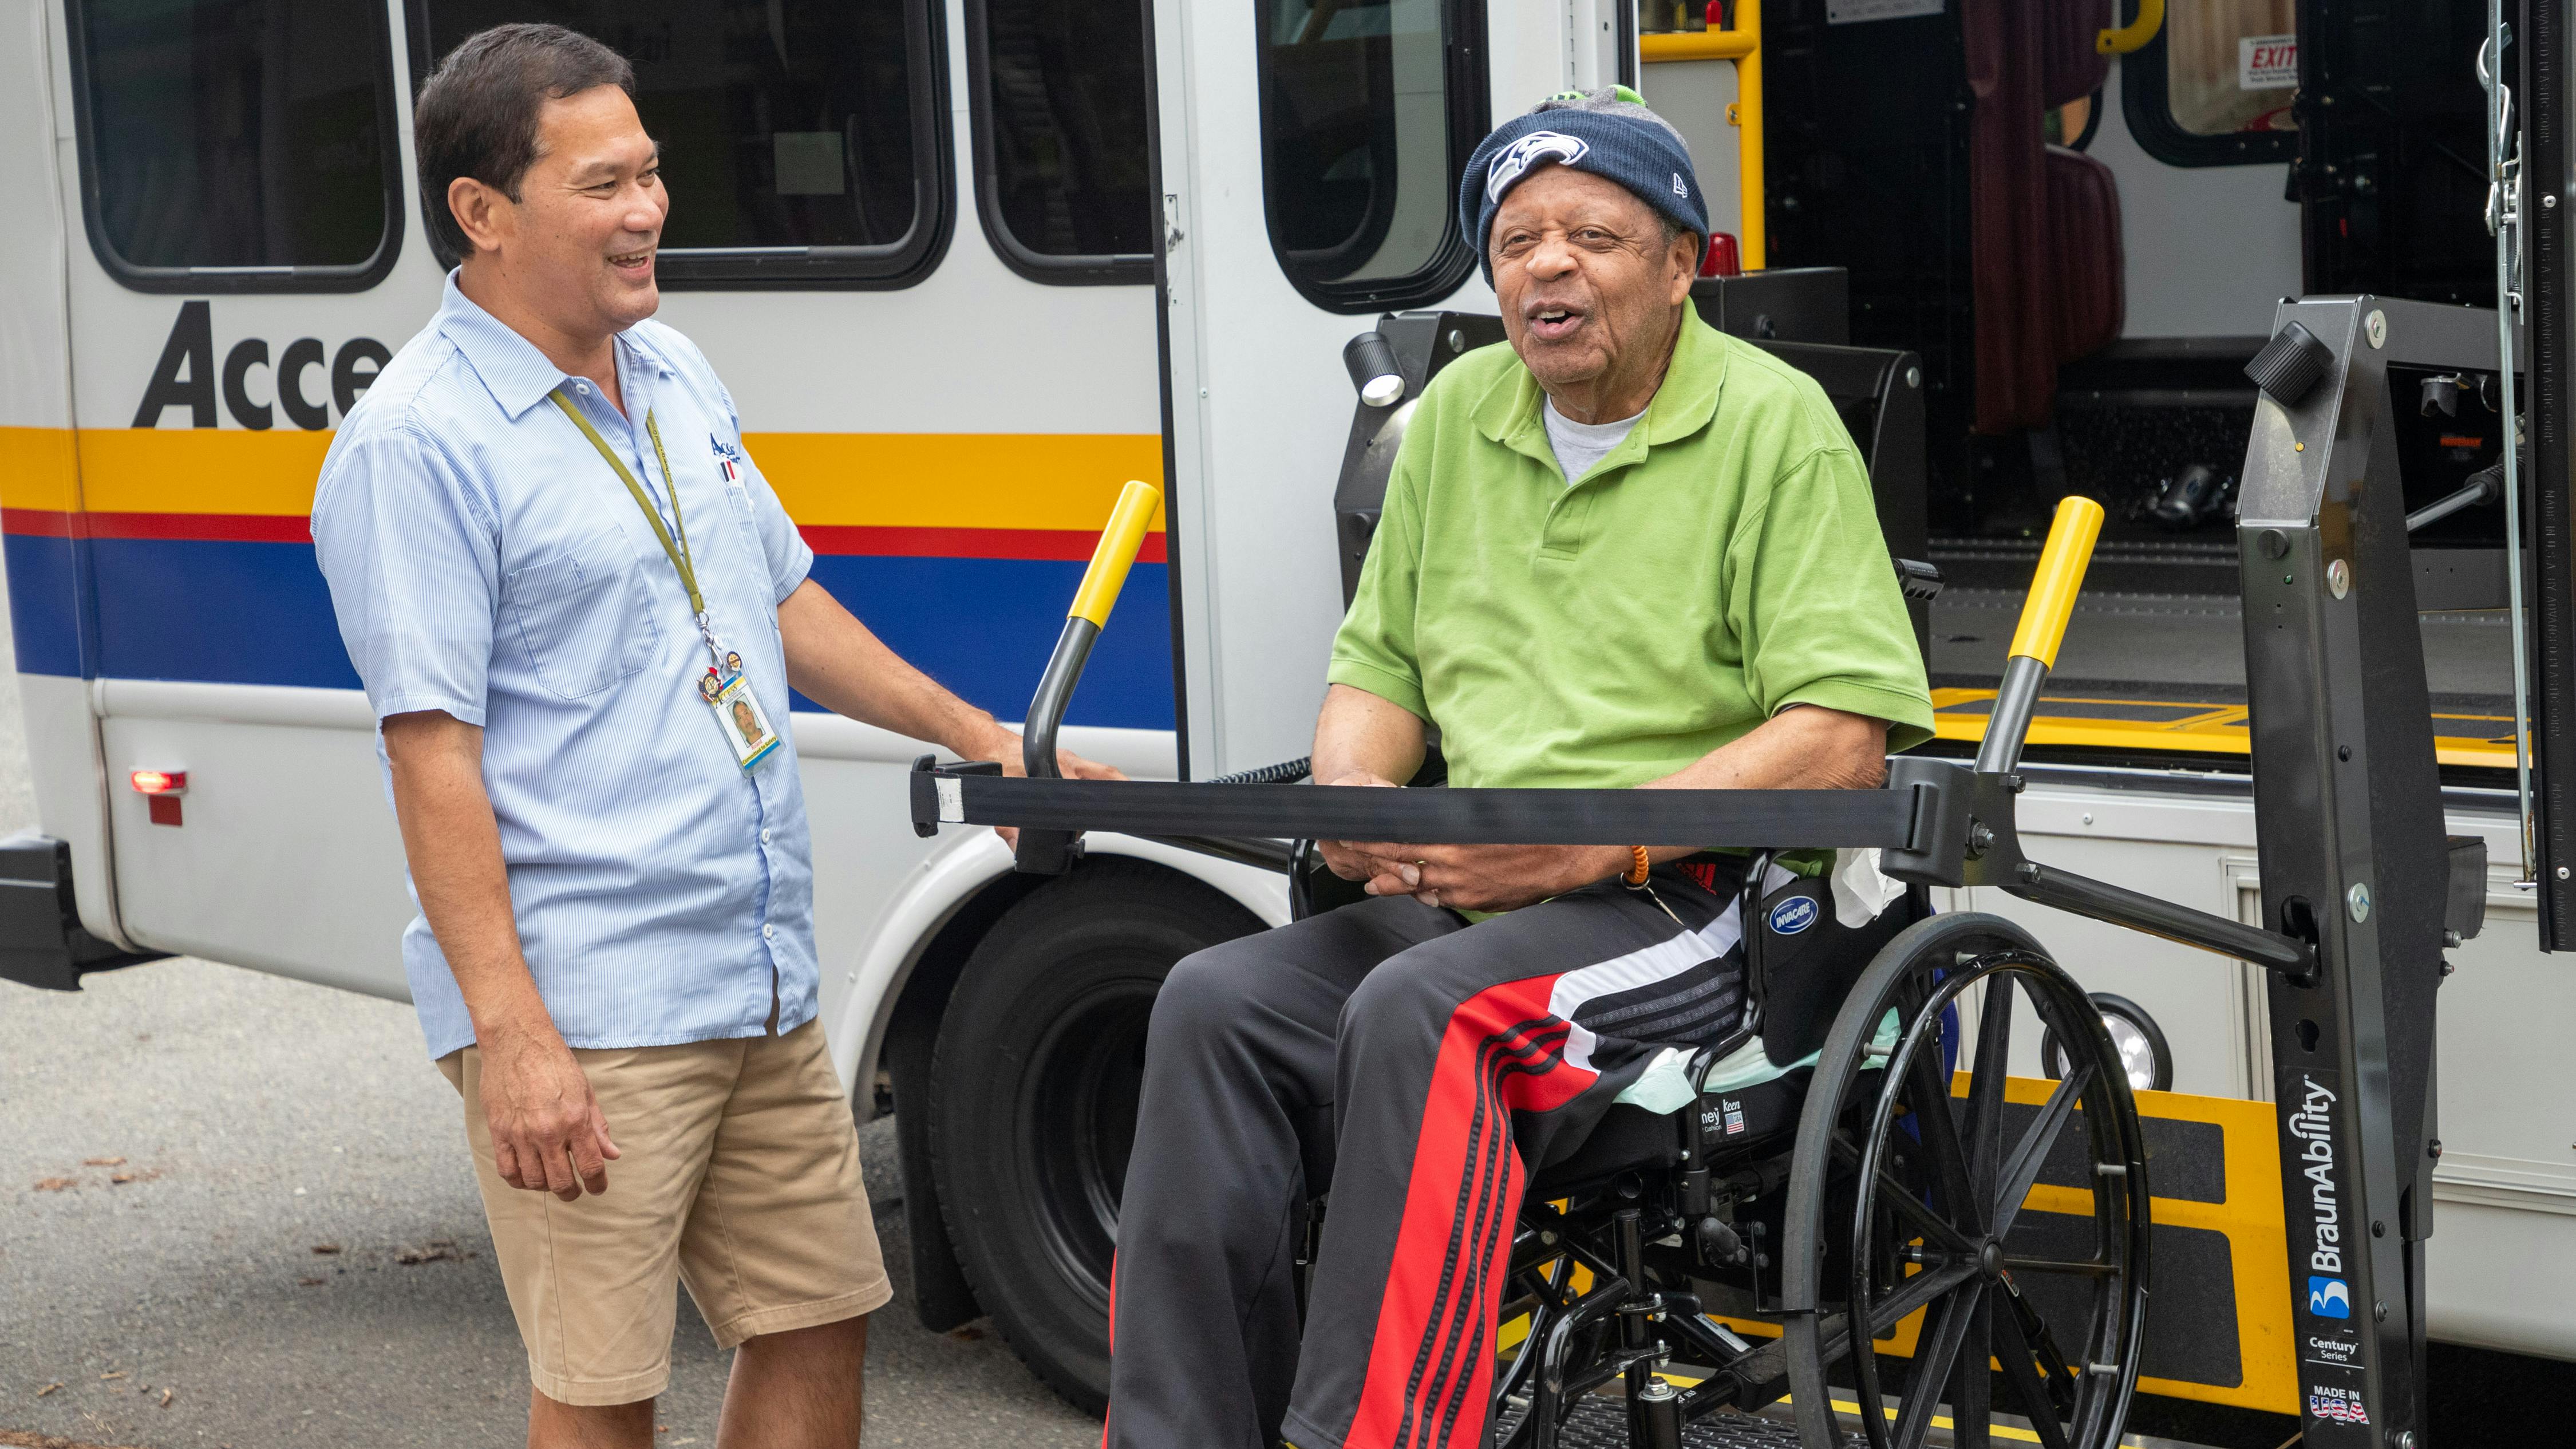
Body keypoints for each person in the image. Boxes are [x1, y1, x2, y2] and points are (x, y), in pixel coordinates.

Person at [310, 24, 1113, 1449]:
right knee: (605, 1391)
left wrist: (985, 740)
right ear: (483, 214)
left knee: (816, 1322)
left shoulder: (670, 367)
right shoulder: (414, 445)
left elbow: (780, 596)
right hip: (591, 1005)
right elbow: (429, 754)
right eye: (604, 183)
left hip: (754, 971)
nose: (648, 211)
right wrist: (518, 1044)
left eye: (653, 173)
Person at [1103, 90, 1935, 1449]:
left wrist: (1587, 847)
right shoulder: (1450, 419)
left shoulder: (1775, 427)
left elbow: (1839, 738)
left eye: (1593, 235)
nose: (1547, 265)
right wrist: (1358, 803)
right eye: (1518, 239)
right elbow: (1377, 673)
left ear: (1682, 264)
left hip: (1690, 903)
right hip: (1474, 891)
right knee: (1210, 1002)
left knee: (1430, 1015)